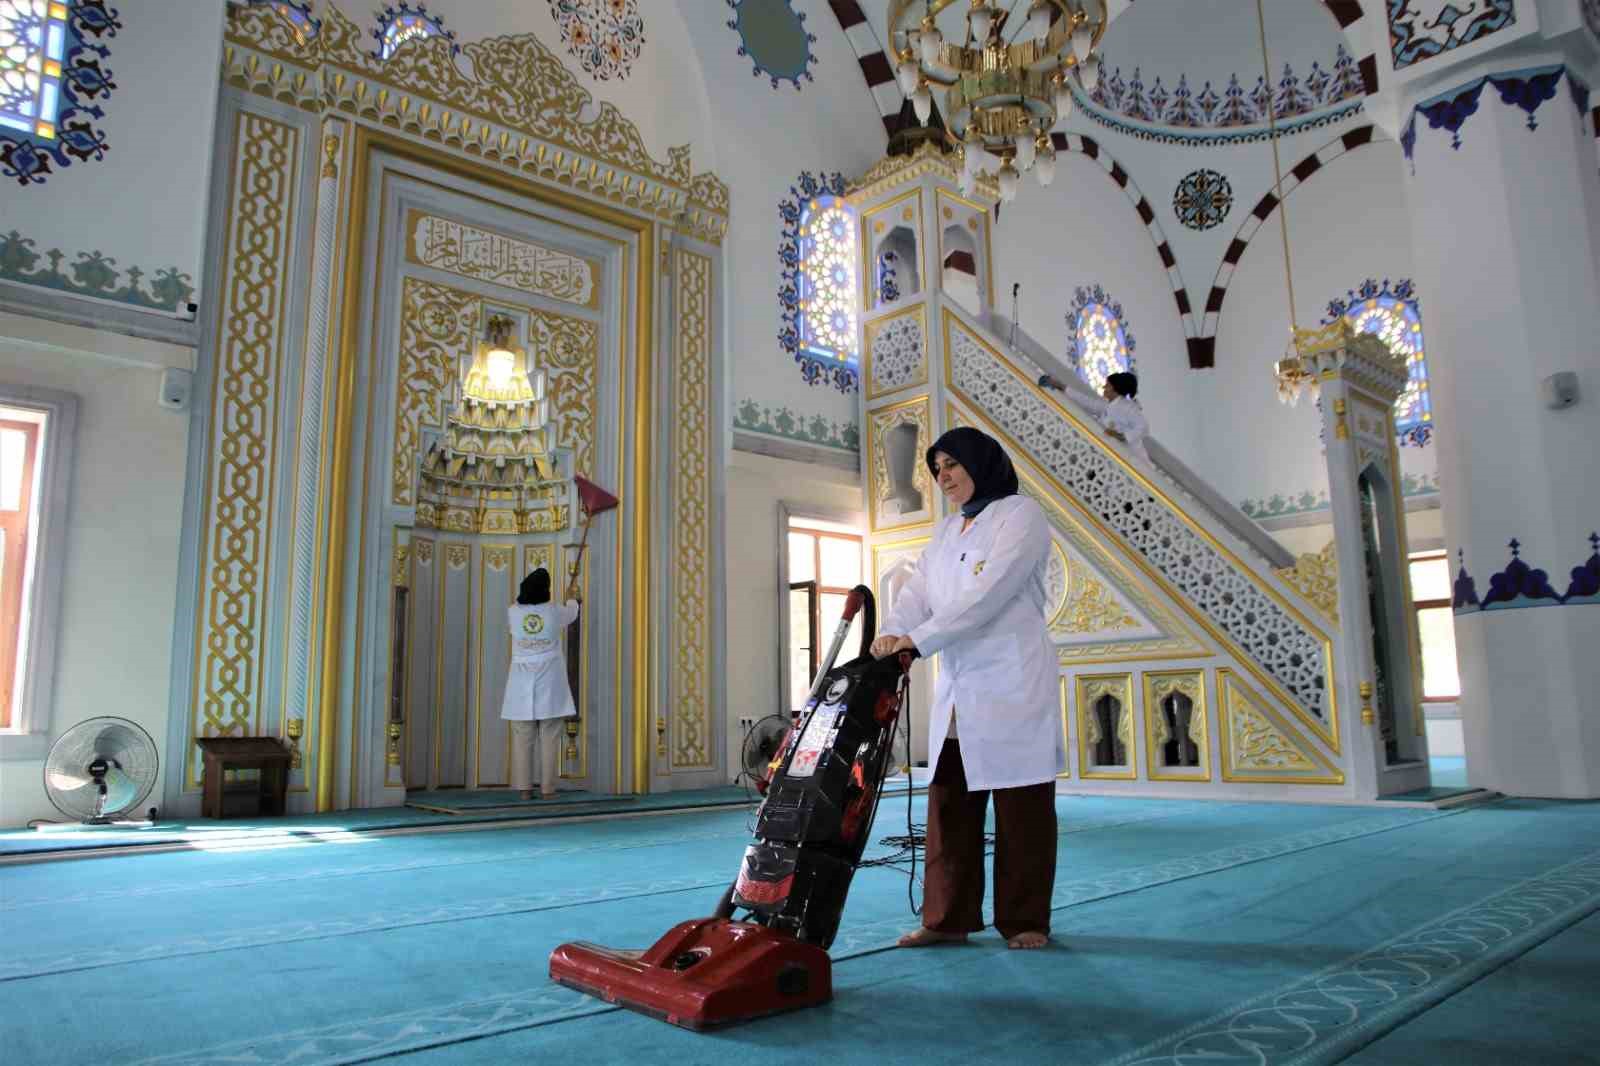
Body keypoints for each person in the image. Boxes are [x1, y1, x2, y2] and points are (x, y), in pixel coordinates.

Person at [869, 426, 1064, 950]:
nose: (944, 477)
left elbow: (991, 592)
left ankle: (1025, 921)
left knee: (1021, 807)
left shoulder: (1021, 515)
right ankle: (946, 918)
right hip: (958, 686)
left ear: (982, 461)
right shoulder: (946, 530)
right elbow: (918, 591)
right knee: (949, 801)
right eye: (936, 469)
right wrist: (893, 631)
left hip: (1010, 680)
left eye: (952, 464)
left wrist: (918, 639)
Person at [501, 567, 580, 800]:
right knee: (550, 737)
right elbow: (573, 613)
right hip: (550, 681)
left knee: (522, 737)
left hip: (520, 681)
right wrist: (572, 597)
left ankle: (524, 789)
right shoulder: (555, 611)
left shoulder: (513, 612)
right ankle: (548, 789)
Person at [1039, 370, 1150, 465]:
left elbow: (1143, 427)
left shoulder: (1128, 407)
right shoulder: (1108, 406)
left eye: (1107, 385)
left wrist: (1122, 436)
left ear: (1114, 388)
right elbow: (1087, 402)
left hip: (1136, 462)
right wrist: (1062, 387)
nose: (1104, 387)